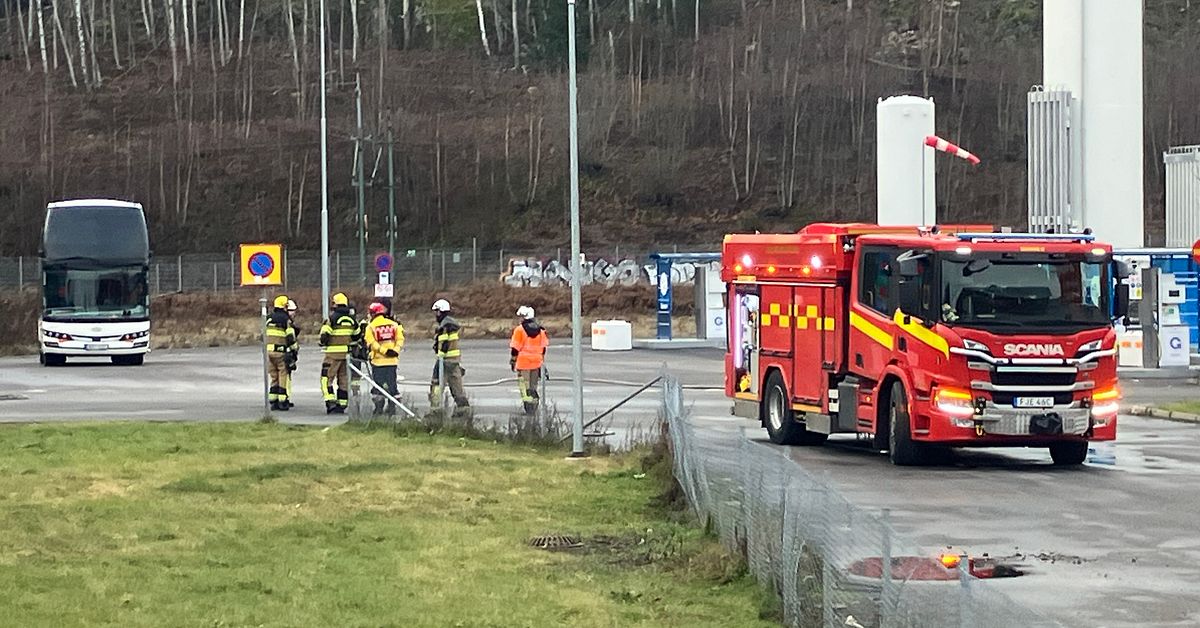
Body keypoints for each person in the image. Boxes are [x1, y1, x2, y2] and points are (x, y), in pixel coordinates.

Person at [319, 292, 361, 414]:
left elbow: (324, 335)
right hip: (346, 356)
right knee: (343, 379)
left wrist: (324, 343)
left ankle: (330, 402)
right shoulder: (352, 320)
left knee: (326, 378)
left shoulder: (332, 318)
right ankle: (342, 404)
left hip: (332, 355)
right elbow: (356, 335)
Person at [365, 301, 404, 416]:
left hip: (378, 362)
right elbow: (400, 339)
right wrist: (395, 351)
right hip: (392, 361)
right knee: (392, 385)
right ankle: (392, 408)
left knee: (378, 386)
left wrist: (384, 351)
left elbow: (372, 343)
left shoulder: (370, 327)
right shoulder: (394, 325)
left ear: (373, 314)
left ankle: (378, 409)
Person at [429, 298, 469, 410]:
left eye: (436, 312)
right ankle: (464, 410)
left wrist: (439, 355)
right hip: (454, 361)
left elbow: (444, 344)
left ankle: (435, 410)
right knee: (457, 387)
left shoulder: (444, 327)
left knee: (436, 384)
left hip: (444, 361)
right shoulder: (452, 325)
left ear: (439, 312)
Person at [509, 305, 549, 414]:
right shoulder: (541, 330)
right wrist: (541, 362)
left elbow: (515, 348)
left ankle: (528, 408)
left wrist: (513, 361)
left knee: (524, 386)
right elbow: (544, 348)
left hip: (523, 363)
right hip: (536, 363)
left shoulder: (520, 330)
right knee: (533, 386)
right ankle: (534, 406)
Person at [265, 295, 298, 411]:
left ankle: (273, 401)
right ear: (284, 307)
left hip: (269, 352)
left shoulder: (268, 318)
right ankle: (282, 401)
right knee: (283, 375)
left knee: (274, 376)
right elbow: (290, 337)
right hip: (280, 352)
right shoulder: (286, 320)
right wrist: (294, 350)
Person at [283, 299, 300, 408]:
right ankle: (285, 397)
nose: (293, 313)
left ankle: (281, 397)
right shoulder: (287, 322)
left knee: (280, 376)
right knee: (285, 376)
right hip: (286, 353)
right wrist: (295, 349)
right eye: (291, 310)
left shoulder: (275, 319)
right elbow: (290, 339)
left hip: (277, 351)